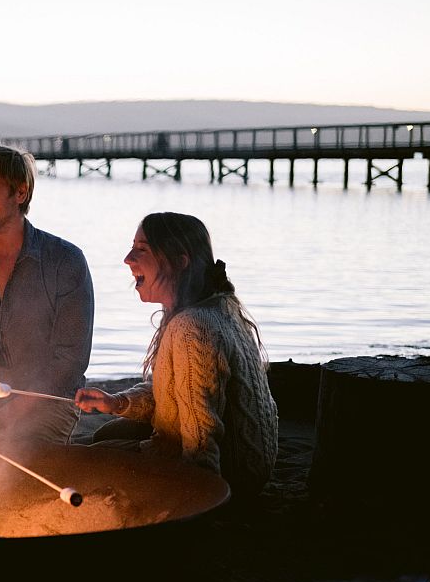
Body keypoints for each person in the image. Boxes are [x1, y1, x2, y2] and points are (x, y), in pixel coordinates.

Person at [74, 212, 278, 498]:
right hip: (252, 462)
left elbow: (201, 435)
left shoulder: (192, 327)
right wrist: (116, 402)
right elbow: (175, 391)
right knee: (106, 433)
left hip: (232, 476)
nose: (128, 258)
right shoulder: (217, 305)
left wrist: (201, 499)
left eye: (142, 249)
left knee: (82, 461)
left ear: (180, 261)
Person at [0, 144, 95, 446]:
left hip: (48, 402)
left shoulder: (65, 261)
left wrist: (8, 416)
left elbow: (69, 360)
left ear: (20, 193)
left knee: (13, 455)